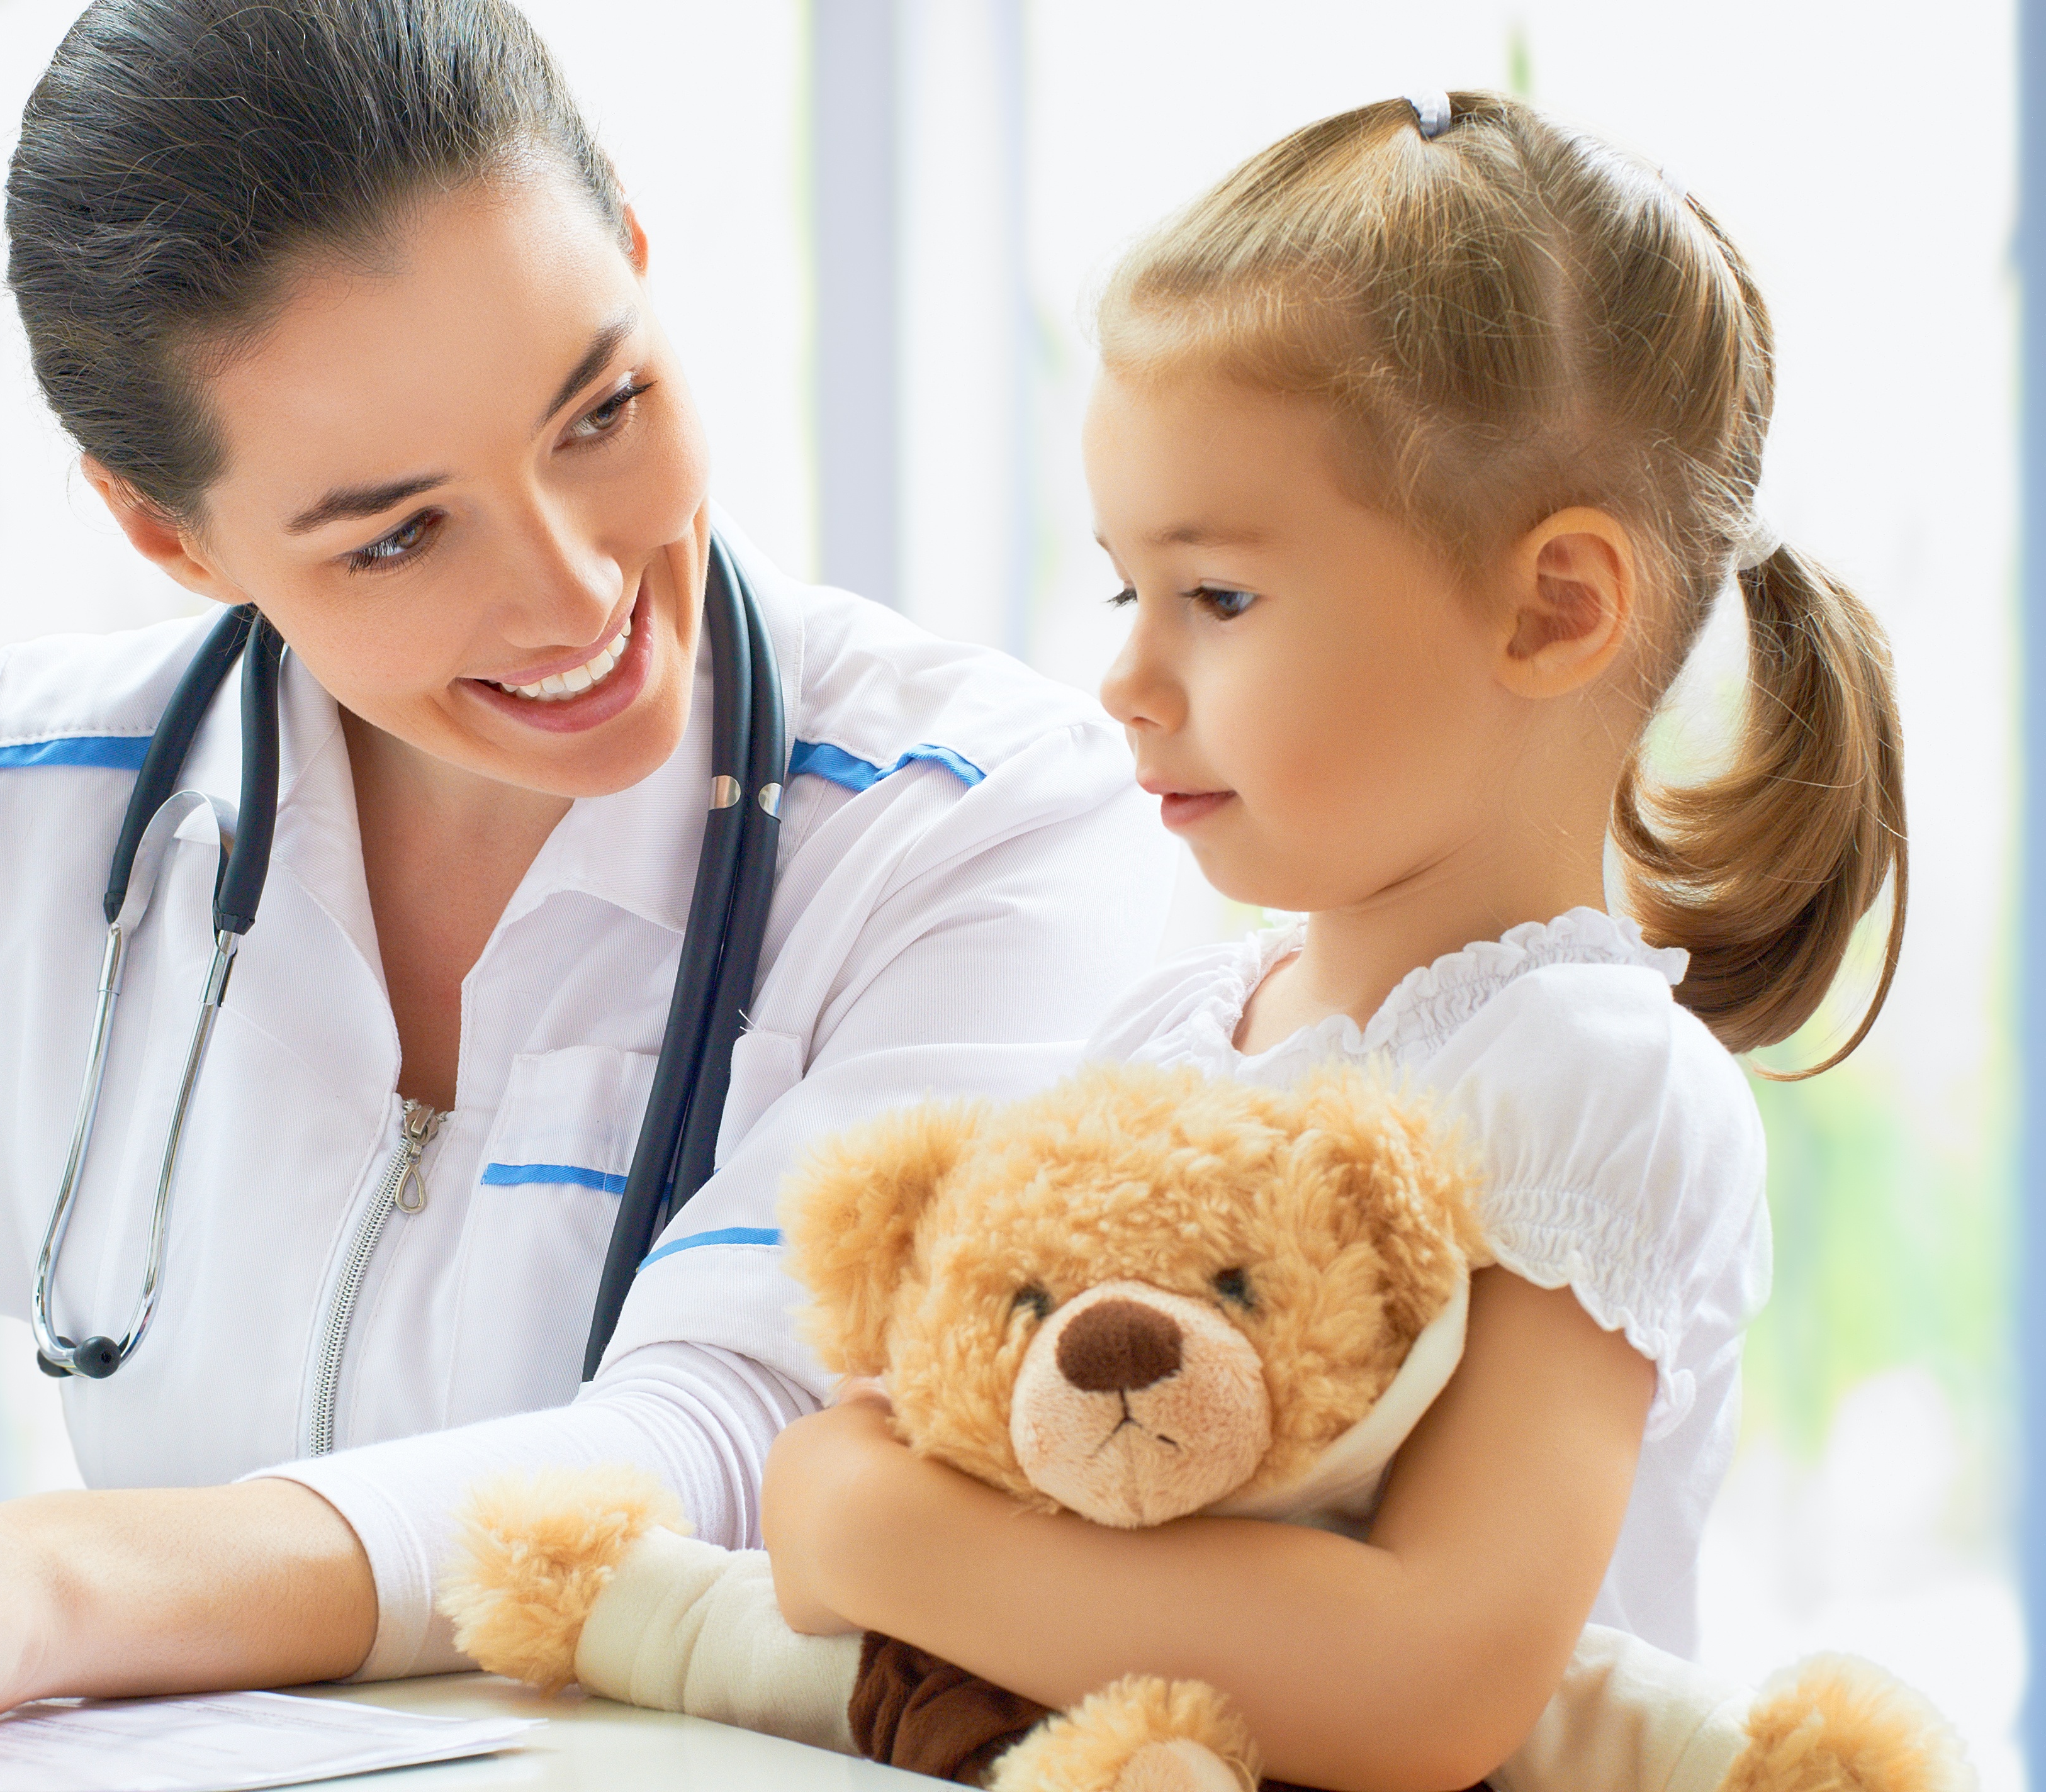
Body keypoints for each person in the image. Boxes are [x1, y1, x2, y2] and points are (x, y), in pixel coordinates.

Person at [0, 0, 1166, 1732]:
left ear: (629, 246)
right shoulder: (47, 809)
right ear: (165, 531)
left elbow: (730, 1454)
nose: (576, 590)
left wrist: (39, 1585)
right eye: (396, 536)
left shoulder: (988, 828)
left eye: (599, 412)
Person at [758, 90, 1906, 1791]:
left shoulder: (1588, 1082)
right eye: (1123, 591)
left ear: (1551, 609)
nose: (1129, 683)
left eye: (1216, 598)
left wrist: (864, 1529)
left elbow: (1427, 1684)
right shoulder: (1171, 1031)